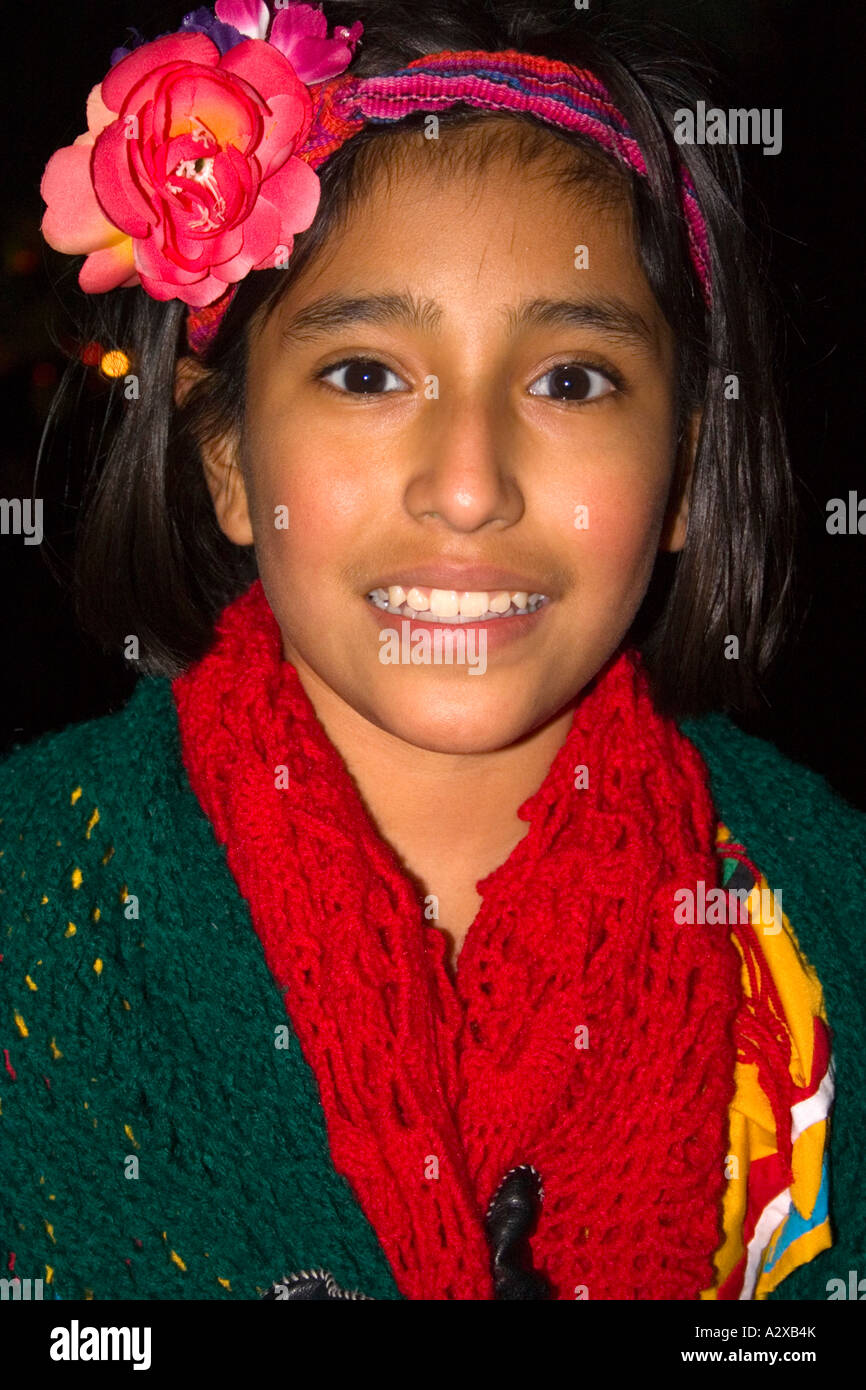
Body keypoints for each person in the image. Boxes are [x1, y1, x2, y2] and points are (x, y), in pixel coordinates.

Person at [1, 0, 863, 1302]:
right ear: (227, 455)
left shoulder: (824, 923)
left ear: (685, 467)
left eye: (568, 380)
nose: (467, 488)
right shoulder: (30, 893)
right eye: (364, 375)